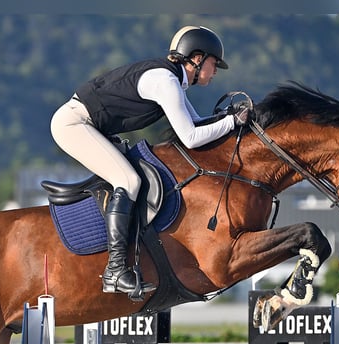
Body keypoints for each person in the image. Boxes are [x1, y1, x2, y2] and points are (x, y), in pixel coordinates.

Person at [50, 25, 249, 296]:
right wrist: (230, 123)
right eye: (214, 63)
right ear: (197, 57)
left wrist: (228, 120)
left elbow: (198, 124)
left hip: (89, 124)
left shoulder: (173, 80)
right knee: (128, 180)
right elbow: (190, 138)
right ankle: (115, 270)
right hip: (74, 124)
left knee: (131, 178)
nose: (215, 71)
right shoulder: (164, 81)